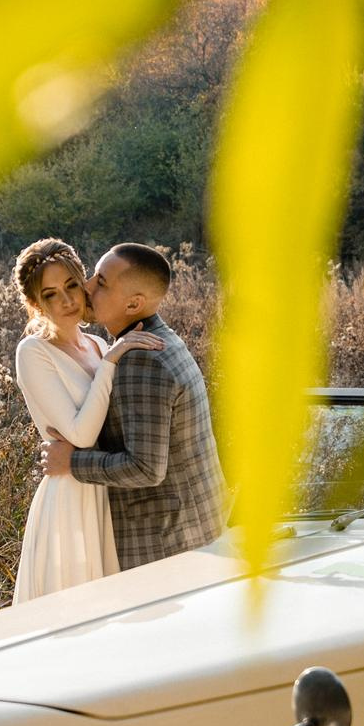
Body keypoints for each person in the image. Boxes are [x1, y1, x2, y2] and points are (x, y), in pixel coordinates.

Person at [40, 242, 229, 570]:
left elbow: (145, 468)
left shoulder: (142, 360)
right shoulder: (161, 337)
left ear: (134, 304)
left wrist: (71, 462)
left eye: (101, 282)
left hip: (164, 545)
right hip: (194, 529)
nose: (86, 285)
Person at [9, 238, 161, 603]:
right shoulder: (33, 353)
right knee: (74, 609)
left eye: (72, 286)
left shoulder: (96, 344)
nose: (67, 300)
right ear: (35, 304)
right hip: (70, 498)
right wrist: (112, 362)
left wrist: (109, 354)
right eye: (50, 294)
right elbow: (80, 432)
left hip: (105, 489)